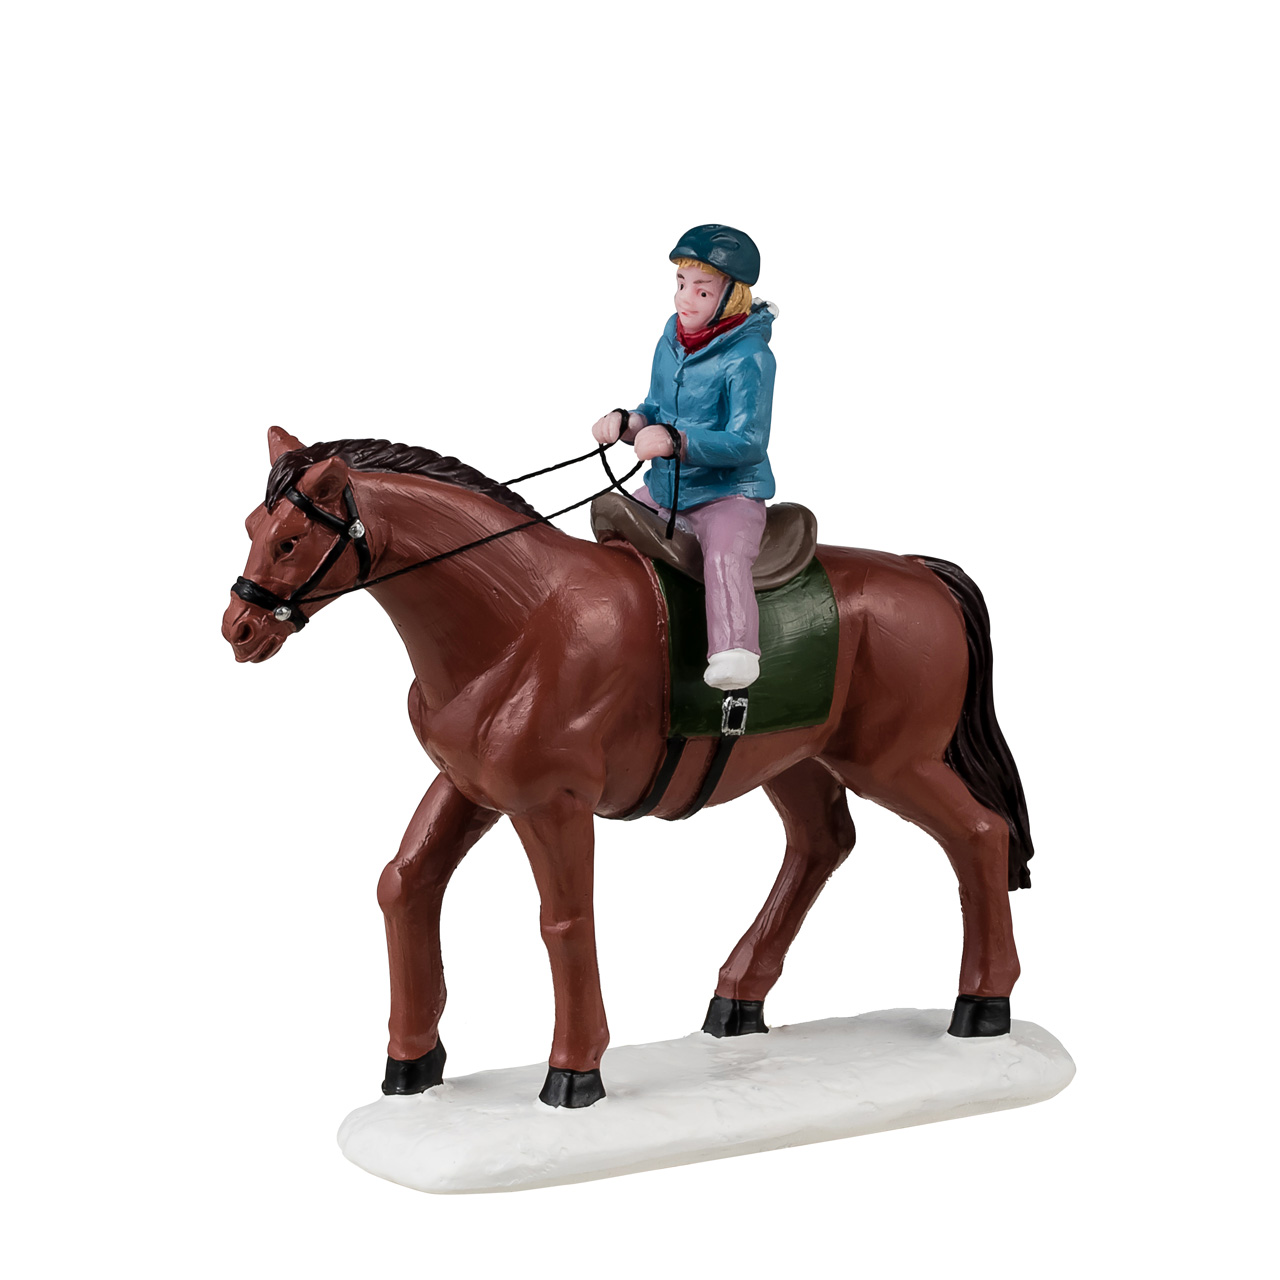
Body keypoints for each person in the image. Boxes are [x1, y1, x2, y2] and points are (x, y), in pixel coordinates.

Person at [592, 224, 778, 691]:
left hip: (726, 494)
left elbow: (748, 441)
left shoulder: (750, 357)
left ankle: (735, 653)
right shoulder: (671, 340)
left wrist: (678, 442)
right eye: (680, 284)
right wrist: (629, 422)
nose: (684, 299)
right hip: (665, 490)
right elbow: (655, 407)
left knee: (725, 554)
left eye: (701, 290)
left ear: (730, 297)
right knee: (609, 521)